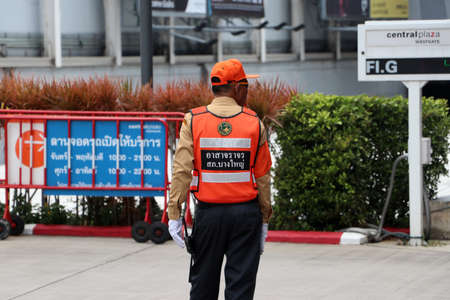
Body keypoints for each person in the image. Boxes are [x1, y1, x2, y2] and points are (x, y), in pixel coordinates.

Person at [168, 58, 272, 300]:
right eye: (246, 84)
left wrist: (174, 213)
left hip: (209, 217)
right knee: (241, 290)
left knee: (202, 287)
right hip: (246, 218)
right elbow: (263, 177)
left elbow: (181, 170)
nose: (248, 89)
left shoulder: (193, 120)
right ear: (237, 88)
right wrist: (264, 218)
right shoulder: (253, 123)